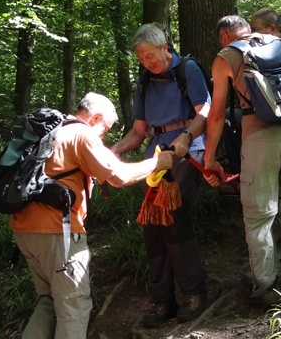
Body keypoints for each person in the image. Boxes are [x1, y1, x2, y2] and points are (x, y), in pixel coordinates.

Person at [10, 92, 174, 339]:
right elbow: (119, 176)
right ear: (96, 117)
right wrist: (157, 162)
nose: (103, 136)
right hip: (59, 234)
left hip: (24, 229)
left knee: (49, 302)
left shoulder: (51, 130)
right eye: (105, 129)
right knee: (74, 308)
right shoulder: (81, 134)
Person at [202, 15, 281, 307]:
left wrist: (210, 157)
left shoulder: (226, 56)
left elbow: (216, 114)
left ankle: (265, 285)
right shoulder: (277, 42)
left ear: (225, 36)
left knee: (258, 215)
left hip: (260, 138)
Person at [111, 23, 210, 328]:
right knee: (152, 226)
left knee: (175, 219)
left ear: (165, 48)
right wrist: (112, 152)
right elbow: (139, 131)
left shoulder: (187, 70)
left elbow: (205, 112)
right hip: (154, 161)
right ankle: (161, 297)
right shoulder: (144, 81)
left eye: (151, 57)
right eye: (142, 59)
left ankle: (193, 292)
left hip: (185, 155)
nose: (148, 64)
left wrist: (186, 138)